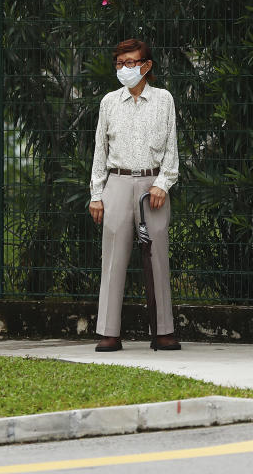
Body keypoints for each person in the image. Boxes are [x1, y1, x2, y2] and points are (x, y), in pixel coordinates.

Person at [89, 38, 180, 352]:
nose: (125, 68)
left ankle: (164, 330)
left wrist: (163, 183)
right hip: (117, 182)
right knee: (113, 257)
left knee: (157, 257)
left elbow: (171, 148)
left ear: (146, 65)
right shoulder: (109, 102)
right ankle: (109, 331)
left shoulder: (164, 100)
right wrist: (96, 194)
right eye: (119, 63)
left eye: (131, 62)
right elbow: (100, 150)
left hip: (152, 186)